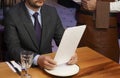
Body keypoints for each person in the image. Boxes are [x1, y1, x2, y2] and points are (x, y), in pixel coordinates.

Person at [4, 0, 78, 70]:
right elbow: (13, 48)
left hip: (49, 65)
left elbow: (62, 39)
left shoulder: (52, 11)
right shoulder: (12, 14)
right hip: (24, 67)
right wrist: (37, 59)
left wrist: (70, 52)